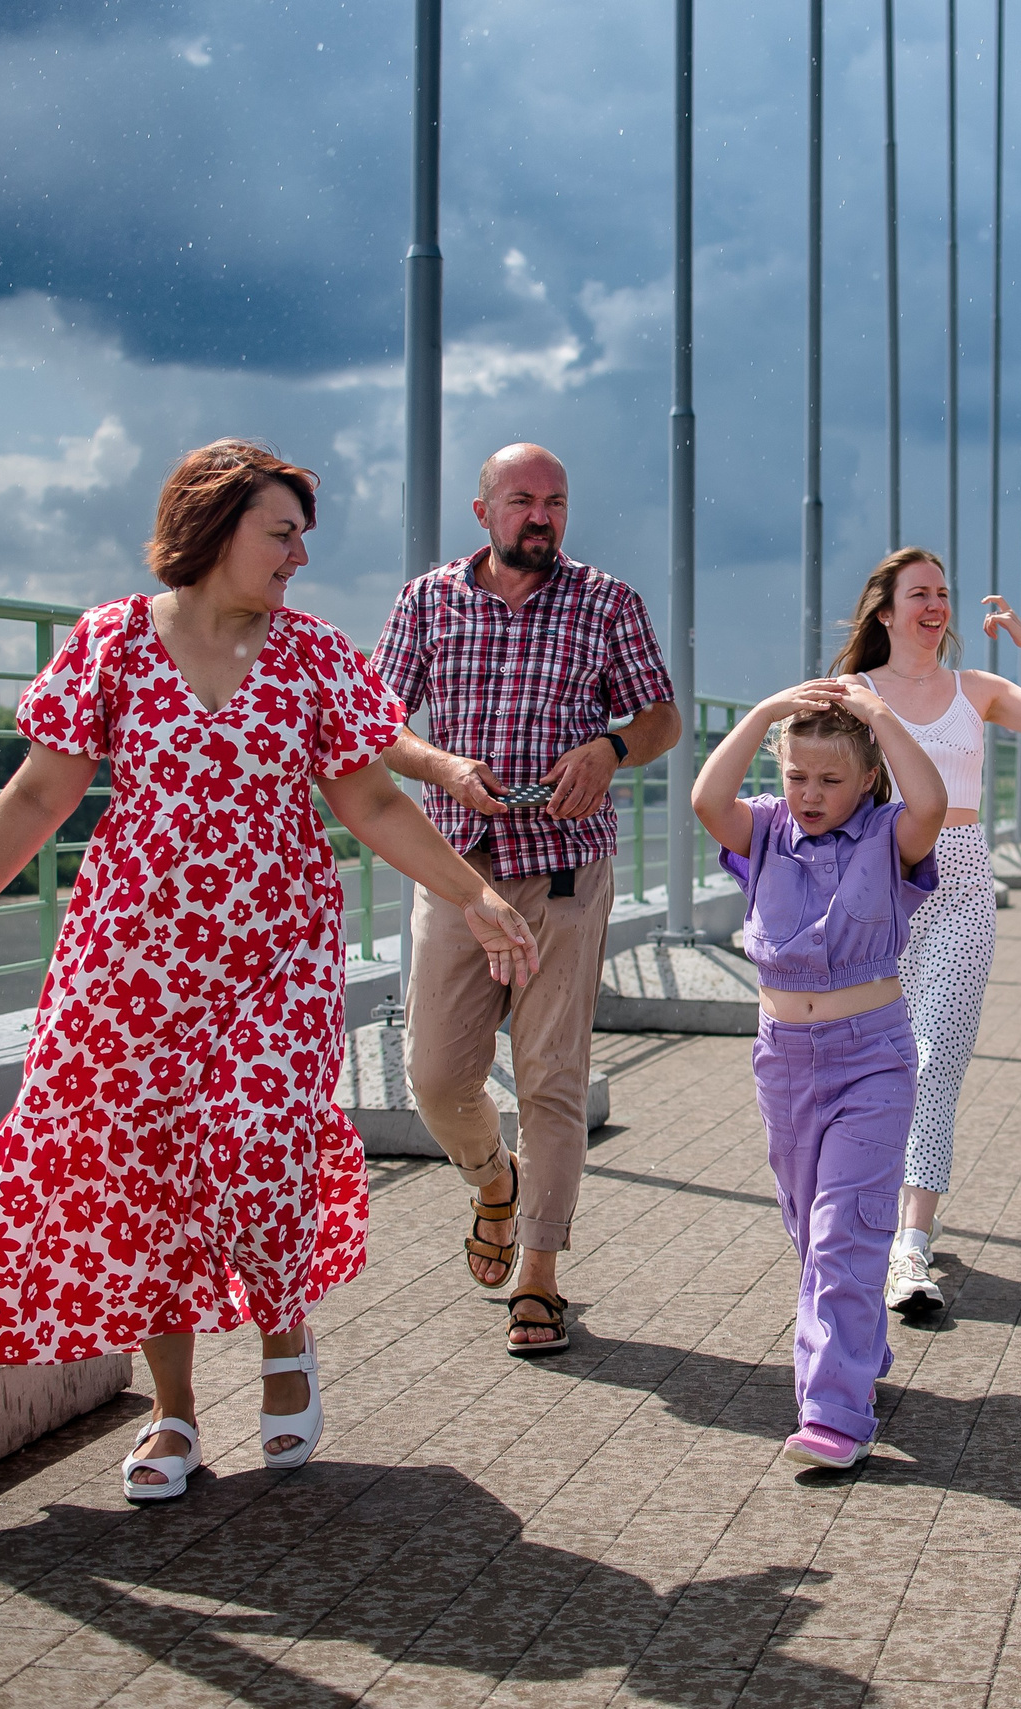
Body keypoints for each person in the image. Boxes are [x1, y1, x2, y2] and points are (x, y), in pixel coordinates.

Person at [0, 441, 540, 1503]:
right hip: (130, 957)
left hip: (275, 950)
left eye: (302, 535)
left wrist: (473, 895)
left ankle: (282, 1332)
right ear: (212, 527)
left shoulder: (314, 657)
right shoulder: (111, 641)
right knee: (143, 1174)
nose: (298, 555)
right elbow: (41, 791)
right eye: (279, 532)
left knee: (256, 1142)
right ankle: (174, 1411)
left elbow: (374, 801)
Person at [372, 443, 680, 1354]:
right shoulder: (427, 602)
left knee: (551, 1077)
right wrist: (441, 765)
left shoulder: (608, 602)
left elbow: (659, 714)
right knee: (436, 1076)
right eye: (520, 500)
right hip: (457, 870)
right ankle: (490, 1181)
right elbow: (379, 721)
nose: (539, 516)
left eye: (554, 500)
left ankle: (540, 1276)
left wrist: (612, 750)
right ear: (484, 512)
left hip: (565, 873)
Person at [831, 549, 1021, 1315]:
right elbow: (811, 781)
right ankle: (867, 1208)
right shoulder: (855, 692)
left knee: (936, 1059)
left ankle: (910, 1247)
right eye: (919, 593)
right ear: (884, 609)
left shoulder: (973, 691)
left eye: (943, 593)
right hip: (880, 879)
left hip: (959, 881)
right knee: (877, 1061)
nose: (936, 605)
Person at [693, 680, 947, 1468]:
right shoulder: (765, 829)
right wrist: (763, 712)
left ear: (866, 779)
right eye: (798, 775)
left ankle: (835, 1410)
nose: (810, 793)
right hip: (784, 1058)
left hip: (871, 1053)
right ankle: (857, 1349)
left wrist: (879, 718)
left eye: (831, 779)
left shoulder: (889, 835)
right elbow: (708, 798)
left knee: (846, 1226)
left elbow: (932, 803)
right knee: (809, 1226)